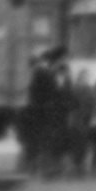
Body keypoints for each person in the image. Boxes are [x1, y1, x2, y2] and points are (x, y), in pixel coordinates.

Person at [21, 47, 64, 179]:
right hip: (44, 113)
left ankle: (39, 168)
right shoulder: (44, 73)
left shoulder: (40, 74)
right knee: (44, 141)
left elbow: (36, 95)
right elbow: (51, 93)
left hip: (40, 113)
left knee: (40, 141)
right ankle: (45, 169)